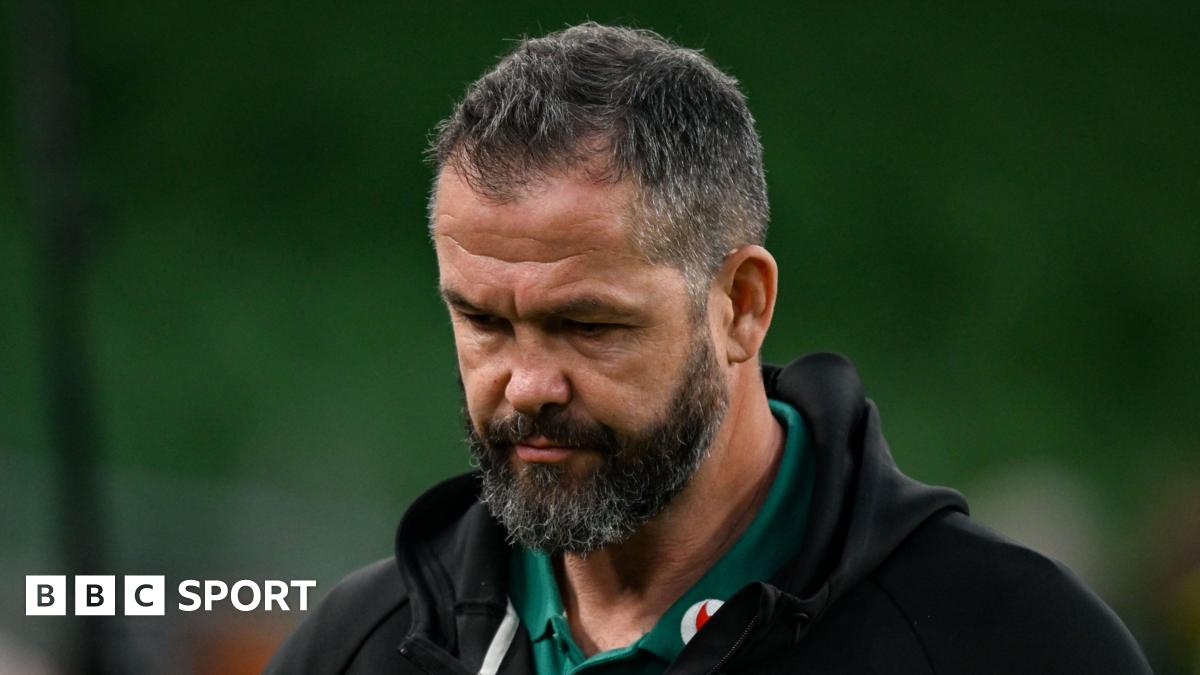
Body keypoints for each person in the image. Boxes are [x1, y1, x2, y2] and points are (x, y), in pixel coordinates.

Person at [265, 23, 1150, 674]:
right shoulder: (354, 649)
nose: (527, 384)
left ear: (741, 306)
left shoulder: (1015, 645)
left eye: (589, 325)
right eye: (484, 322)